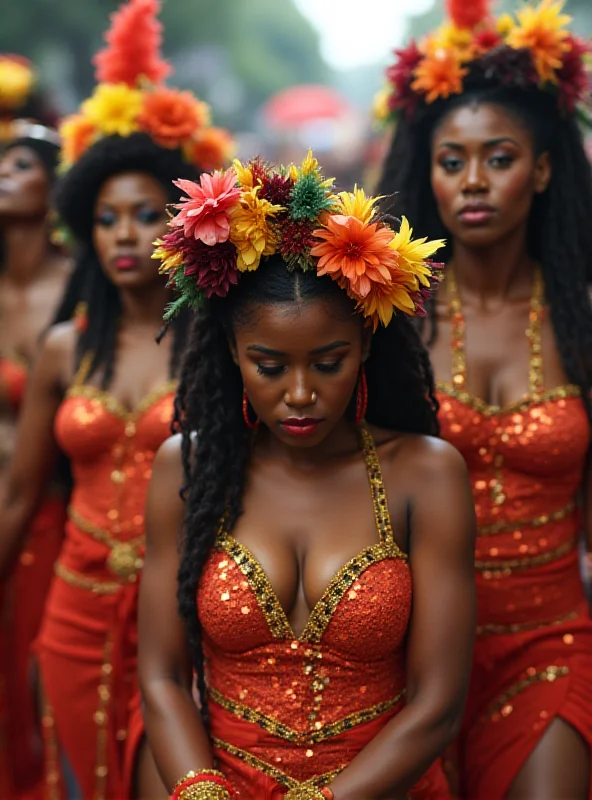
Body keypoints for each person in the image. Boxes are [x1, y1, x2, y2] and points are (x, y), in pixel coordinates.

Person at [139, 152, 476, 800]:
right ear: (233, 352)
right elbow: (159, 674)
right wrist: (200, 790)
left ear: (366, 347)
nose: (300, 393)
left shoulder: (426, 475)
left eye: (328, 362)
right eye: (270, 366)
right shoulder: (188, 467)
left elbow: (438, 706)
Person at [0, 1, 233, 798]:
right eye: (108, 219)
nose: (127, 235)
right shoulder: (67, 347)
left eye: (146, 215)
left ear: (182, 222)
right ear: (86, 231)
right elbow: (24, 494)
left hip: (181, 620)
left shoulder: (218, 342)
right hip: (72, 611)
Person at [377, 0, 592, 796]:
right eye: (451, 160)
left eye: (498, 158)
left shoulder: (581, 318)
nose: (473, 181)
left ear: (539, 169)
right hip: (409, 648)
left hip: (550, 639)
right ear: (427, 173)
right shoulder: (390, 319)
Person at [0, 54, 72, 800]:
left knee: (36, 681)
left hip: (46, 516)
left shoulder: (77, 291)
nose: (2, 174)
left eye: (19, 164)